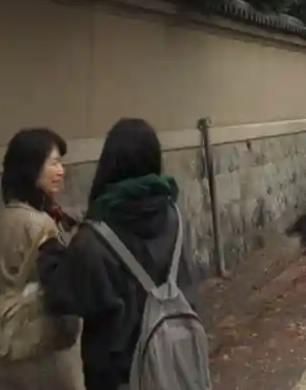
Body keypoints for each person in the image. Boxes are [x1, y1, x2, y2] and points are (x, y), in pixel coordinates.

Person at [39, 119, 210, 390]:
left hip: (118, 375)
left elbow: (64, 297)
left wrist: (50, 252)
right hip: (174, 364)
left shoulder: (93, 238)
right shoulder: (175, 217)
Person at [0, 128, 83, 390]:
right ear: (32, 168)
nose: (61, 171)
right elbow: (60, 286)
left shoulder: (8, 215)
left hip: (6, 339)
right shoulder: (39, 224)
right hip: (40, 345)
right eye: (54, 163)